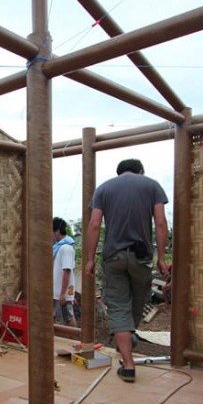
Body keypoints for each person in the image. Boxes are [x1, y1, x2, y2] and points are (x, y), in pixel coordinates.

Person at [84, 158, 170, 383]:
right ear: (141, 171)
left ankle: (127, 359)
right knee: (138, 302)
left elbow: (94, 224)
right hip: (141, 257)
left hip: (113, 257)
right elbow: (160, 222)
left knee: (119, 307)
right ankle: (128, 356)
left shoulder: (104, 189)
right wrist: (162, 258)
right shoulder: (151, 185)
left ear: (118, 172)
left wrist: (90, 259)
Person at [52, 217, 77, 327]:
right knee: (53, 315)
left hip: (63, 292)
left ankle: (75, 340)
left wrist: (62, 294)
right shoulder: (59, 248)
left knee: (68, 318)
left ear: (57, 231)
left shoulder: (65, 248)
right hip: (57, 292)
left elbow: (67, 271)